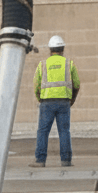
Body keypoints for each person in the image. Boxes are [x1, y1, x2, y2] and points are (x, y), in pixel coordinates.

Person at [33, 34, 81, 168]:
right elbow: (76, 84)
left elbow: (36, 84)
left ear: (50, 49)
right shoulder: (68, 63)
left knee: (43, 131)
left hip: (46, 102)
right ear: (63, 49)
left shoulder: (43, 64)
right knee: (64, 131)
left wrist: (40, 99)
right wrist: (72, 100)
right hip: (64, 102)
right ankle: (66, 160)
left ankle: (40, 160)